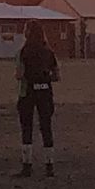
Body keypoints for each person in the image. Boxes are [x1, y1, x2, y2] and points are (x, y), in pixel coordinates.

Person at [14, 20, 60, 178]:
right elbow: (57, 76)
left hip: (28, 92)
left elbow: (19, 75)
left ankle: (27, 166)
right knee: (46, 127)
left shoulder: (23, 51)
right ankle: (49, 166)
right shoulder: (49, 52)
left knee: (27, 127)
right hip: (45, 92)